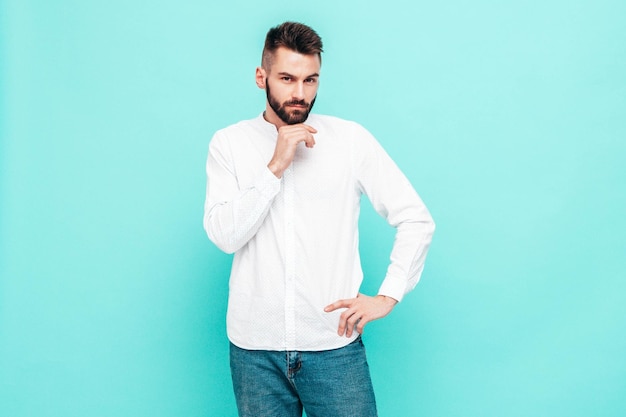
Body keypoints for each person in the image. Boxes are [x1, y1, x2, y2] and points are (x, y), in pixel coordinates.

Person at [203, 21, 435, 417]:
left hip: (333, 348)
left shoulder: (350, 140)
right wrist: (274, 166)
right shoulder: (230, 143)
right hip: (254, 353)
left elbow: (415, 218)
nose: (299, 93)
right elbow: (225, 236)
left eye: (310, 80)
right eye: (287, 78)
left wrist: (389, 294)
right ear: (262, 77)